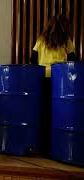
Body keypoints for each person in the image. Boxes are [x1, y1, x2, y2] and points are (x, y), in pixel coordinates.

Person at [30, 14, 77, 155]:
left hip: (43, 78)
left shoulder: (41, 39)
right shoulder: (65, 39)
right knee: (58, 112)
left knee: (43, 111)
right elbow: (73, 60)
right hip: (60, 80)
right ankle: (55, 145)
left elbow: (32, 59)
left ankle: (42, 145)